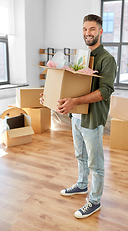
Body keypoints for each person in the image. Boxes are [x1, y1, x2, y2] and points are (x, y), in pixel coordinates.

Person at [40, 14, 117, 219]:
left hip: (92, 119)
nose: (87, 33)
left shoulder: (107, 59)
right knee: (80, 156)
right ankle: (82, 185)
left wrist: (75, 101)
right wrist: (51, 95)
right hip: (77, 117)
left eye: (92, 29)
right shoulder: (82, 56)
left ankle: (94, 201)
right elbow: (73, 85)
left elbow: (105, 91)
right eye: (84, 29)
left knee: (96, 164)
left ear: (100, 31)